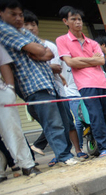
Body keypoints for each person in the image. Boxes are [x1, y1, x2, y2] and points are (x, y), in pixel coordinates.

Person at [0, 0, 77, 166]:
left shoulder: (21, 31)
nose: (18, 18)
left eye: (20, 14)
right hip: (32, 84)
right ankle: (64, 156)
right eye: (13, 14)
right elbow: (40, 50)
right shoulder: (4, 30)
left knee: (63, 121)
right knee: (53, 123)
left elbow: (46, 52)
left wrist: (37, 51)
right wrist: (37, 51)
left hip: (48, 82)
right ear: (2, 13)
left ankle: (66, 154)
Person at [56, 6, 106, 158]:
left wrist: (82, 60)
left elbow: (101, 60)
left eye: (80, 19)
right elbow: (70, 62)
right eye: (73, 19)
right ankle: (104, 148)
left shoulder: (92, 42)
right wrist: (92, 60)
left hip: (102, 83)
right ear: (65, 21)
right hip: (86, 85)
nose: (78, 22)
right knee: (96, 117)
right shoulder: (62, 40)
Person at [23, 10, 88, 161]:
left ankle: (75, 151)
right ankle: (62, 155)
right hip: (35, 91)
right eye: (26, 24)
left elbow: (57, 67)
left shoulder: (49, 46)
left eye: (33, 24)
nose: (31, 27)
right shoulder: (20, 48)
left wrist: (35, 61)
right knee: (52, 125)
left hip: (57, 90)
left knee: (67, 123)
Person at [0, 42, 39, 180]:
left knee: (13, 129)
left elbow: (4, 64)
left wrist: (10, 88)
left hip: (1, 93)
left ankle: (27, 164)